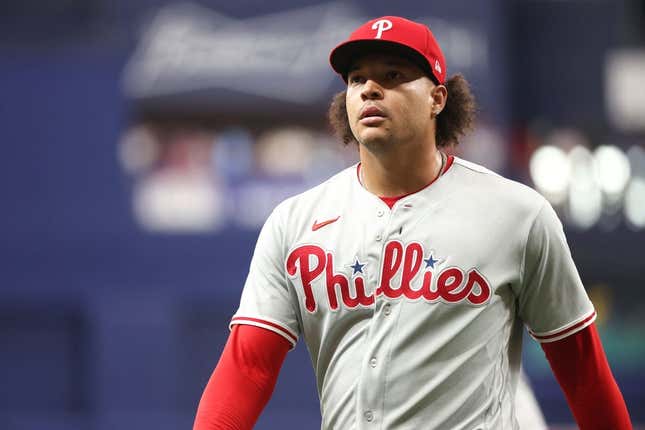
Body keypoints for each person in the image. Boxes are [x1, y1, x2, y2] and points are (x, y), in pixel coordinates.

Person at [193, 16, 632, 429]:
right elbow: (248, 366)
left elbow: (583, 373)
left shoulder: (517, 214)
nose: (369, 89)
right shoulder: (295, 221)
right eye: (356, 79)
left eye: (393, 76)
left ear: (437, 99)